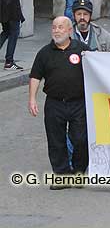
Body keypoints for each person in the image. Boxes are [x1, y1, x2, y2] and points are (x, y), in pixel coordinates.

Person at [28, 16, 89, 188]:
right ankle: (62, 175)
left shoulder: (82, 50)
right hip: (54, 103)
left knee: (80, 139)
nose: (56, 30)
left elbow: (97, 67)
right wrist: (32, 99)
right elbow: (35, 76)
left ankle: (79, 173)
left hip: (79, 103)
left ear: (70, 31)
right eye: (54, 27)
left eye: (61, 27)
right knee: (56, 140)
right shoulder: (44, 53)